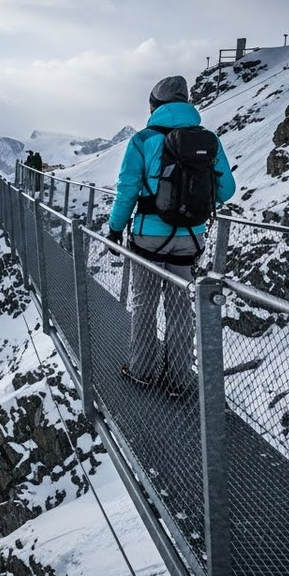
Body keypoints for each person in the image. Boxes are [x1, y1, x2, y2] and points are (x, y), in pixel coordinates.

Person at [106, 75, 236, 398]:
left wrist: (115, 229)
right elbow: (227, 189)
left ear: (155, 105)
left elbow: (127, 192)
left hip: (148, 239)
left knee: (144, 304)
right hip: (190, 240)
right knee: (180, 309)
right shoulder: (208, 141)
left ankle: (142, 370)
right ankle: (178, 381)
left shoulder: (143, 141)